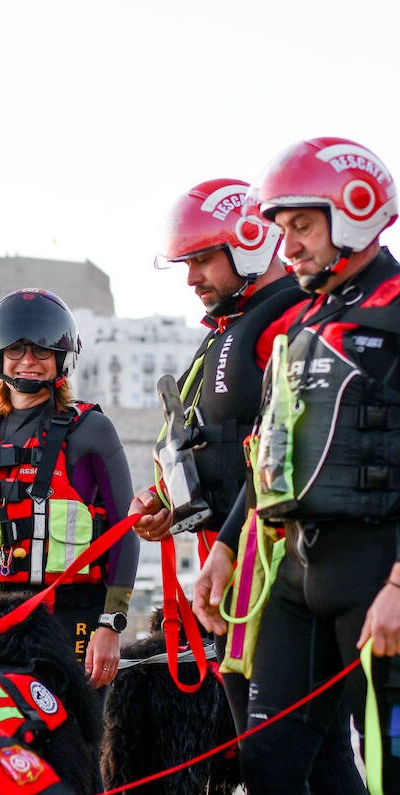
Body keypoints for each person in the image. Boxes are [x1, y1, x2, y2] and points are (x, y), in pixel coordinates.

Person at [193, 137, 400, 795]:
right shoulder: (299, 324)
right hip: (294, 573)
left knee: (394, 776)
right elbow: (273, 461)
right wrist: (225, 547)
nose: (287, 245)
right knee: (270, 762)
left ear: (356, 212)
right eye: (280, 227)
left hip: (383, 569)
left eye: (301, 226)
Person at [132, 177, 307, 732]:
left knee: (298, 758)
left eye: (203, 259)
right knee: (261, 755)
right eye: (185, 263)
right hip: (230, 576)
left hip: (280, 571)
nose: (191, 278)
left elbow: (287, 451)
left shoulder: (289, 318)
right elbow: (208, 441)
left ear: (252, 240)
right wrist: (164, 504)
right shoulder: (225, 331)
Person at [0, 289, 137, 688]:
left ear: (60, 358)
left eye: (41, 350)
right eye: (16, 349)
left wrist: (111, 624)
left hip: (72, 616)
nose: (29, 361)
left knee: (74, 742)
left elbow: (124, 529)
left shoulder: (92, 431)